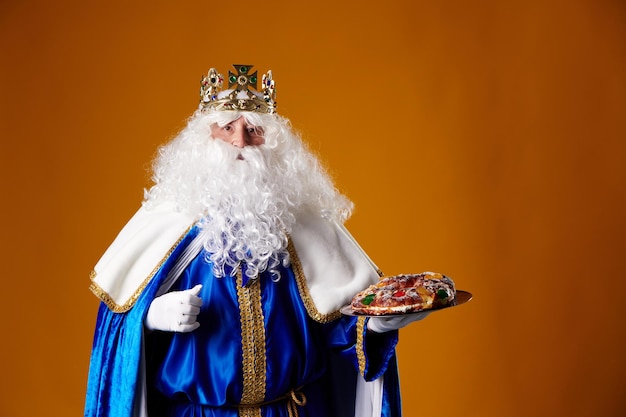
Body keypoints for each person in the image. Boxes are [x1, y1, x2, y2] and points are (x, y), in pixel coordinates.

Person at [85, 64, 427, 417]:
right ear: (205, 138)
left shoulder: (305, 224)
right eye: (227, 128)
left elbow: (338, 328)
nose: (240, 142)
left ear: (275, 143)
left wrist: (375, 325)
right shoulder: (169, 219)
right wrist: (149, 316)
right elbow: (116, 325)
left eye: (254, 129)